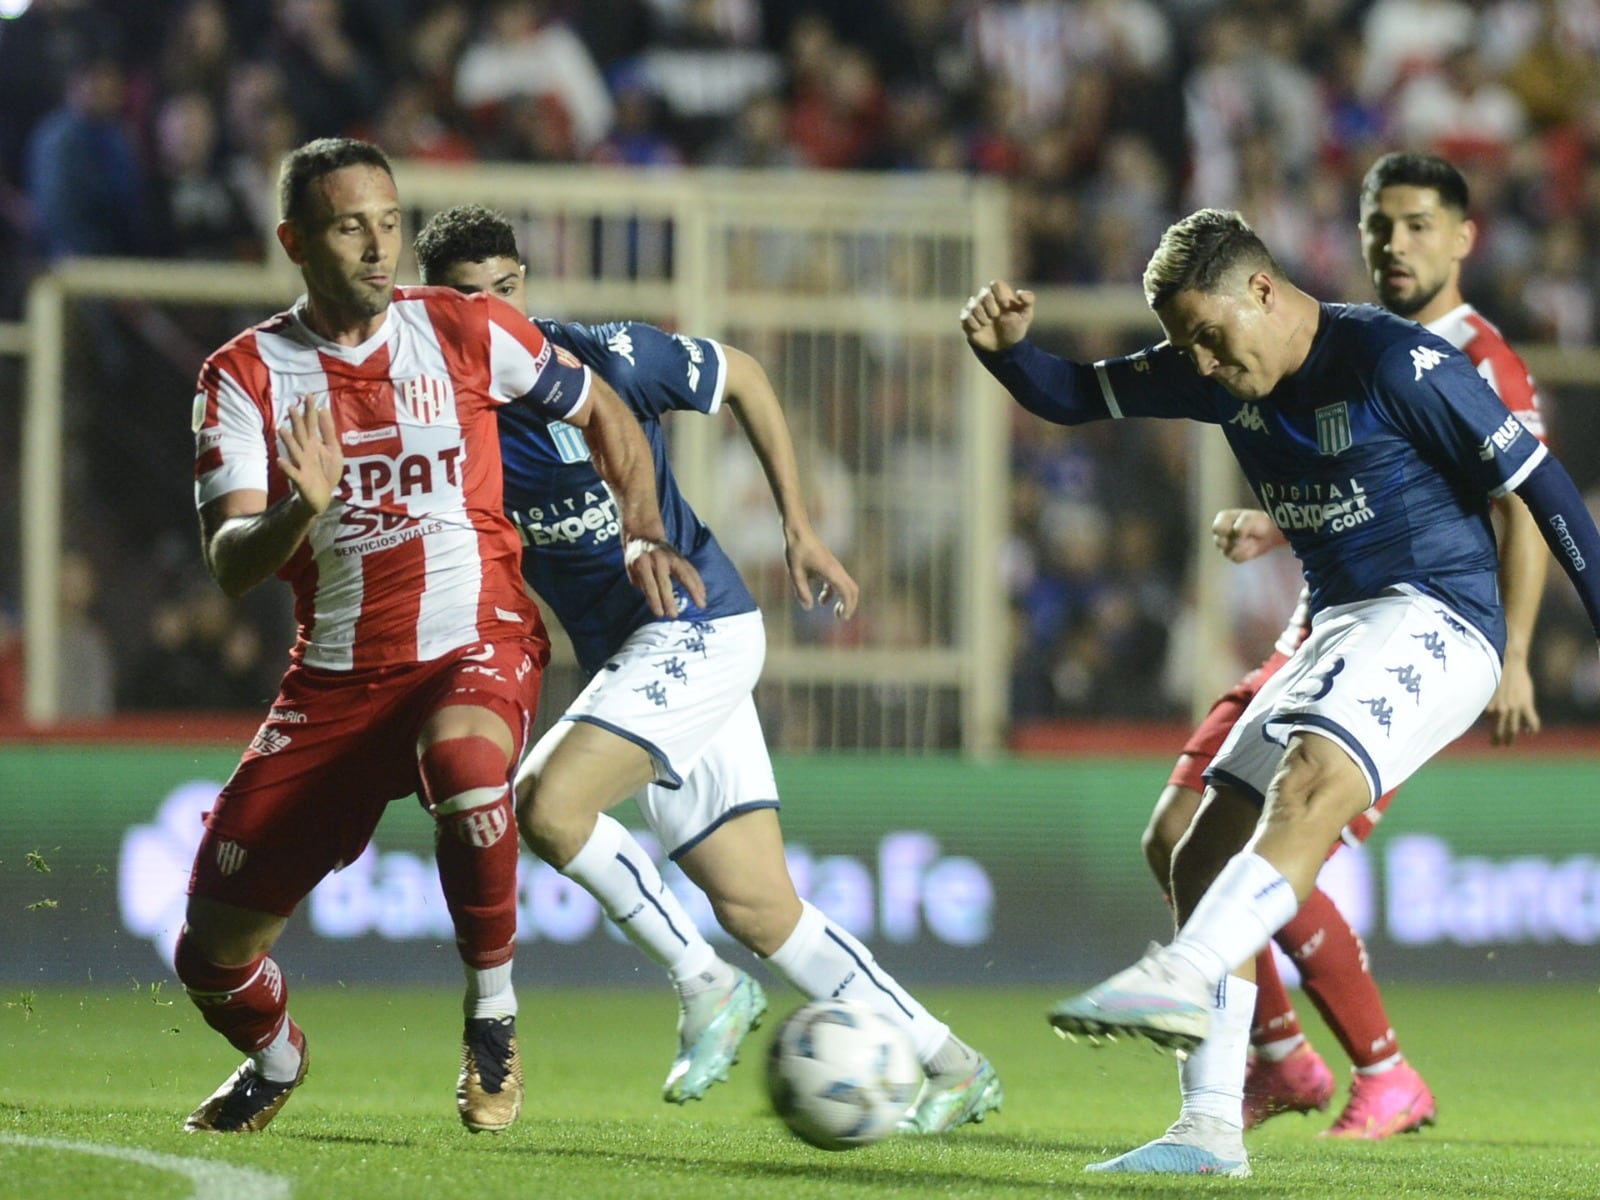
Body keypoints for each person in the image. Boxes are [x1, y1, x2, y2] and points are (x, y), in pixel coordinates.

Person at [962, 208, 1600, 1177]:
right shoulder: (1207, 366)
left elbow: (1543, 491)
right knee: (1198, 848)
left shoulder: (1393, 362)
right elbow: (1074, 393)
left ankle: (1185, 975)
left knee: (1308, 785)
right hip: (1339, 622)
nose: (1202, 364)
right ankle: (1208, 1132)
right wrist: (1011, 355)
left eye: (1209, 337)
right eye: (1186, 345)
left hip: (1438, 613)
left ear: (1261, 289)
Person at [413, 203, 1004, 1134]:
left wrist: (799, 525)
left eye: (508, 289)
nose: (495, 312)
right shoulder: (437, 423)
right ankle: (952, 1062)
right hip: (643, 660)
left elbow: (747, 378)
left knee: (547, 807)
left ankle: (704, 983)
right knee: (762, 908)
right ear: (434, 307)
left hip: (698, 627)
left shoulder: (603, 359)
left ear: (526, 285)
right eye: (469, 298)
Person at [180, 138, 701, 1136]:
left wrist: (641, 526)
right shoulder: (242, 376)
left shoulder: (464, 328)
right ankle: (277, 1058)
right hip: (335, 680)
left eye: (389, 224)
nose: (379, 248)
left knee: (466, 766)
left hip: (476, 636)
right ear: (295, 242)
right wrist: (300, 509)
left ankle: (492, 1020)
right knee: (210, 956)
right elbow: (231, 561)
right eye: (350, 228)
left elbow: (604, 409)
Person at [1140, 152, 1550, 1141]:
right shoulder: (1331, 340)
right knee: (1179, 838)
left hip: (1407, 632)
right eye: (1379, 226)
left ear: (1462, 239)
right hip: (1317, 628)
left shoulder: (1471, 355)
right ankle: (1281, 1058)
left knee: (1282, 837)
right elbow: (1370, 482)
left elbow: (1519, 506)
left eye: (1417, 225)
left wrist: (1519, 653)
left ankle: (1379, 1071)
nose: (1394, 245)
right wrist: (1278, 523)